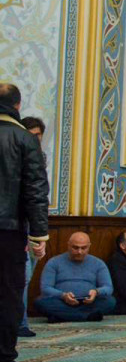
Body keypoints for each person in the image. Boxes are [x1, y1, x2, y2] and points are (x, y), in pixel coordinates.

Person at [0, 85, 49, 362]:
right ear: (18, 106)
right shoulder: (24, 139)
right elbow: (35, 190)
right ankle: (4, 355)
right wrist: (39, 235)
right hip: (8, 230)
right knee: (7, 292)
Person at [35, 232, 117, 322]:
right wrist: (63, 295)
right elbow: (45, 288)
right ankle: (87, 317)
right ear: (68, 245)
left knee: (110, 301)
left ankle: (63, 316)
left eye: (84, 248)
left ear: (89, 246)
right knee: (40, 302)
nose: (79, 252)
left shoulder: (98, 263)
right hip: (62, 301)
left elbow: (108, 287)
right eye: (75, 247)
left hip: (89, 303)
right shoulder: (54, 262)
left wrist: (96, 292)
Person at [17, 116, 46, 339]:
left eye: (39, 136)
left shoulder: (40, 158)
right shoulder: (16, 153)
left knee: (27, 274)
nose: (36, 140)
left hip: (32, 224)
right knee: (22, 275)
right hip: (16, 224)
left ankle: (21, 322)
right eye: (33, 136)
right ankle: (20, 324)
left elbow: (39, 196)